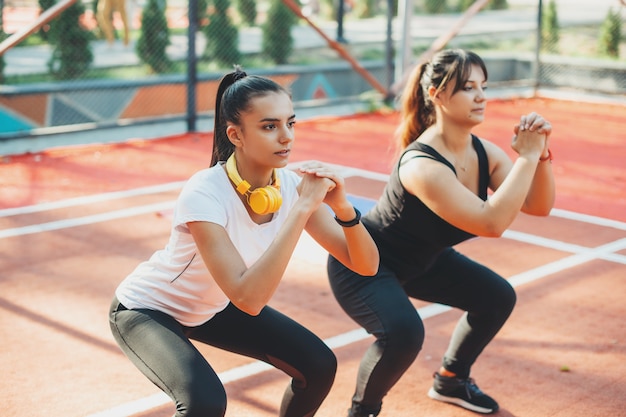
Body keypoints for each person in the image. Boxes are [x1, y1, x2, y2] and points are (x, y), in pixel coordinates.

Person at [108, 67, 379, 417]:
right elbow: (249, 299)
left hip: (210, 308)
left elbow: (366, 265)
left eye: (290, 123)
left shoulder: (290, 186)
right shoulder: (204, 192)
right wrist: (301, 211)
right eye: (269, 126)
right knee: (204, 404)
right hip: (148, 309)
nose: (286, 137)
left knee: (318, 364)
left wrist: (343, 208)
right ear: (235, 134)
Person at [327, 49, 555, 416]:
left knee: (496, 297)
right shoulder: (421, 164)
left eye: (484, 86)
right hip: (364, 262)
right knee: (403, 335)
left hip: (423, 261)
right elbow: (491, 223)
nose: (482, 96)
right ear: (435, 93)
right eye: (468, 87)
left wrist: (540, 155)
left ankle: (451, 378)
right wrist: (525, 158)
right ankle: (362, 411)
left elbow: (538, 206)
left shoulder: (484, 152)